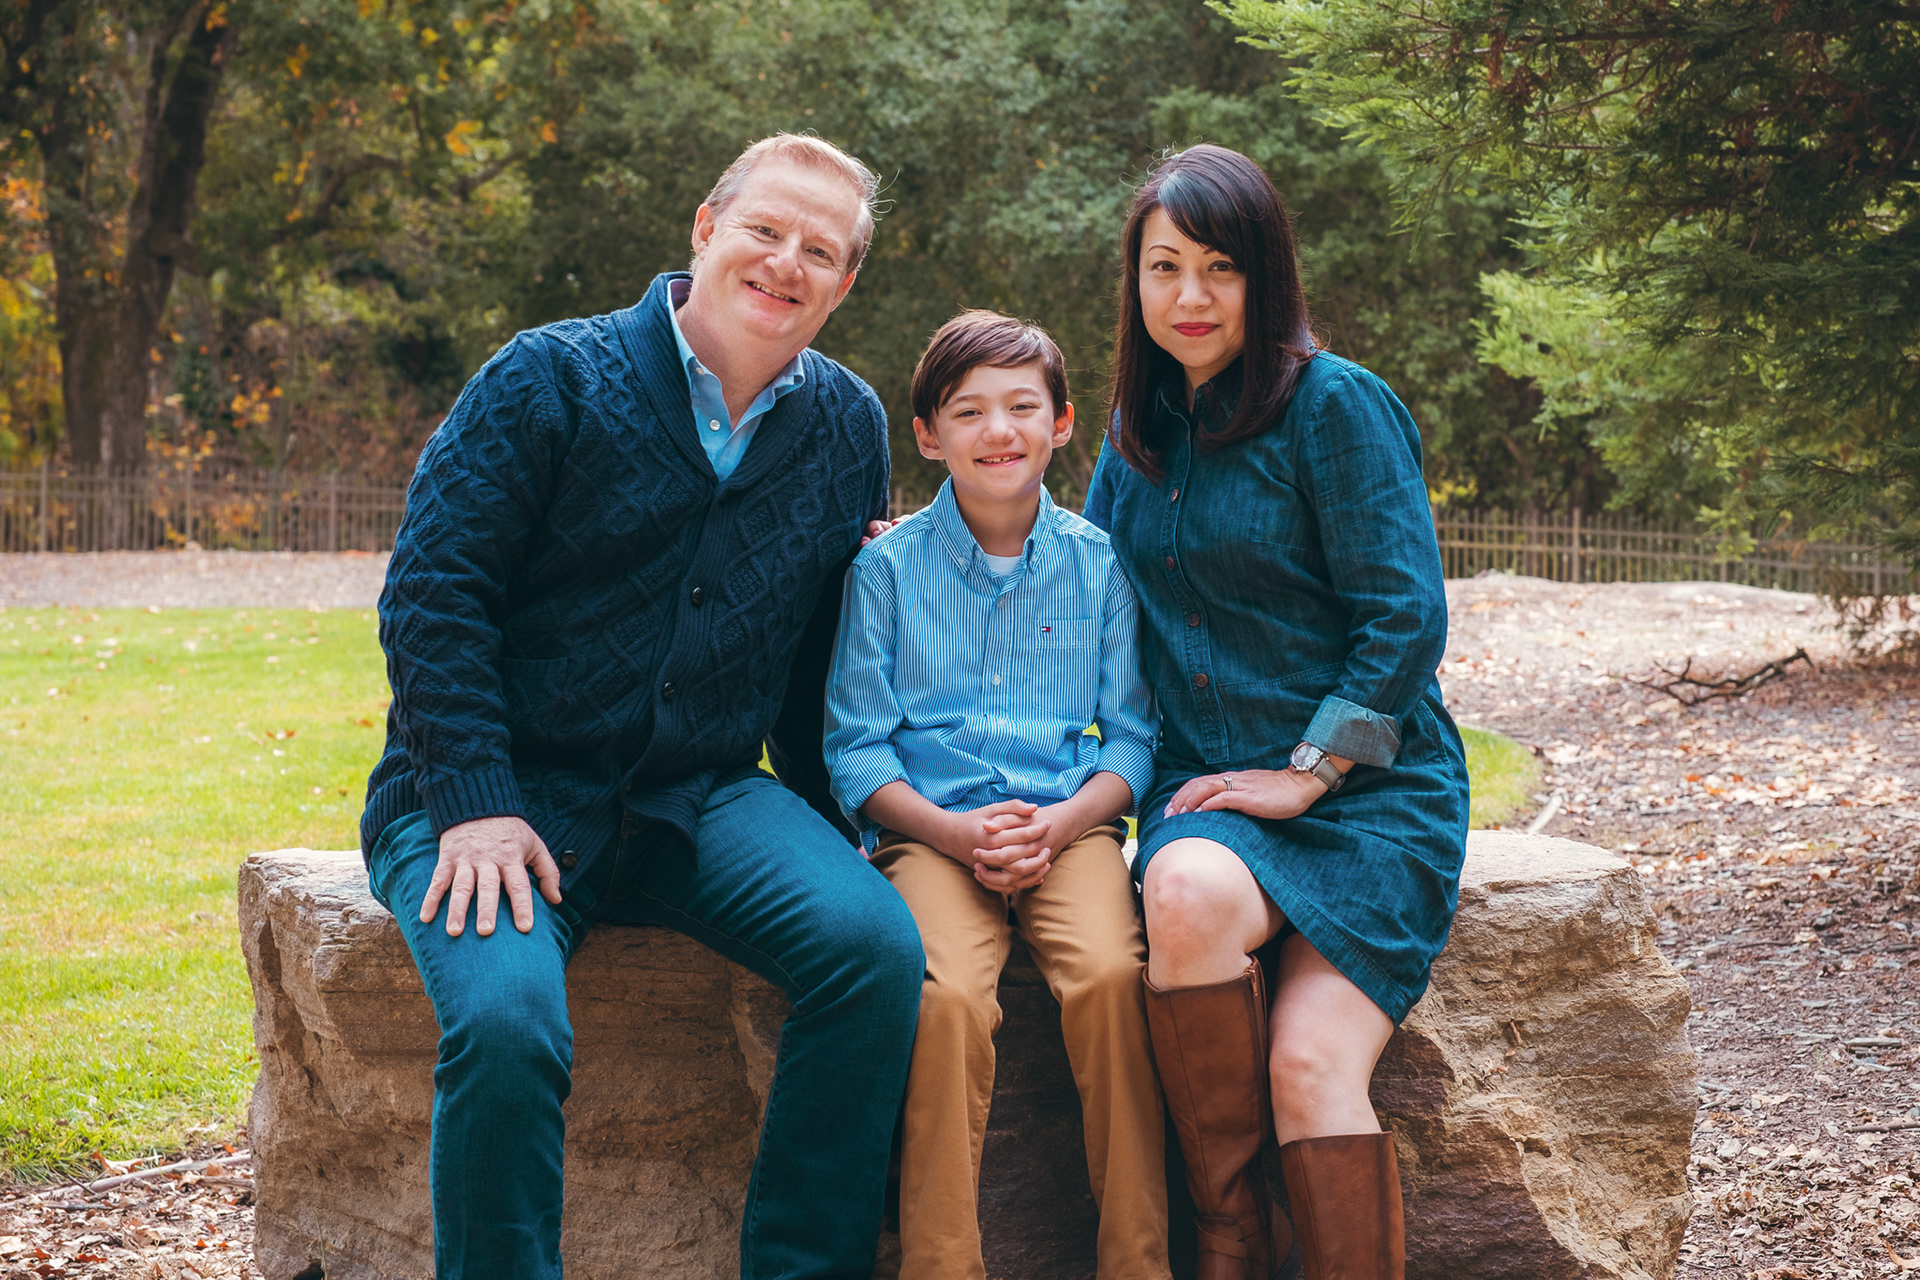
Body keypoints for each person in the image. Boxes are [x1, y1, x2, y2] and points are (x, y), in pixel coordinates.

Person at [358, 133, 926, 1280]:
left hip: (695, 799)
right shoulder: (547, 376)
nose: (787, 262)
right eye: (765, 229)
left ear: (845, 282)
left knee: (873, 950)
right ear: (706, 229)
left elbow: (817, 660)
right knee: (508, 1025)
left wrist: (847, 822)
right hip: (490, 790)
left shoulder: (848, 425)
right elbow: (431, 596)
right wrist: (472, 802)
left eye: (820, 250)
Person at [1082, 145, 1469, 1280]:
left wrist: (1309, 771)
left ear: (1267, 275)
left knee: (1308, 1072)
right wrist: (923, 553)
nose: (1190, 296)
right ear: (1136, 282)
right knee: (1184, 891)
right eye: (1165, 267)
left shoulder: (1335, 406)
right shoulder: (1136, 431)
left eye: (1221, 267)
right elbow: (1081, 594)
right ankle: (1231, 1237)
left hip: (1368, 796)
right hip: (1212, 792)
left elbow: (1405, 617)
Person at [824, 311, 1169, 1280]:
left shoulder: (1101, 565)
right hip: (930, 833)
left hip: (1069, 827)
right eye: (968, 410)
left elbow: (1133, 738)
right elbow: (856, 750)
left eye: (1022, 406)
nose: (998, 430)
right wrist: (951, 831)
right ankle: (940, 1266)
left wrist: (1065, 822)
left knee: (1111, 978)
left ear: (1062, 423)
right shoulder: (885, 569)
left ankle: (1139, 1262)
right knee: (944, 1000)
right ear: (929, 435)